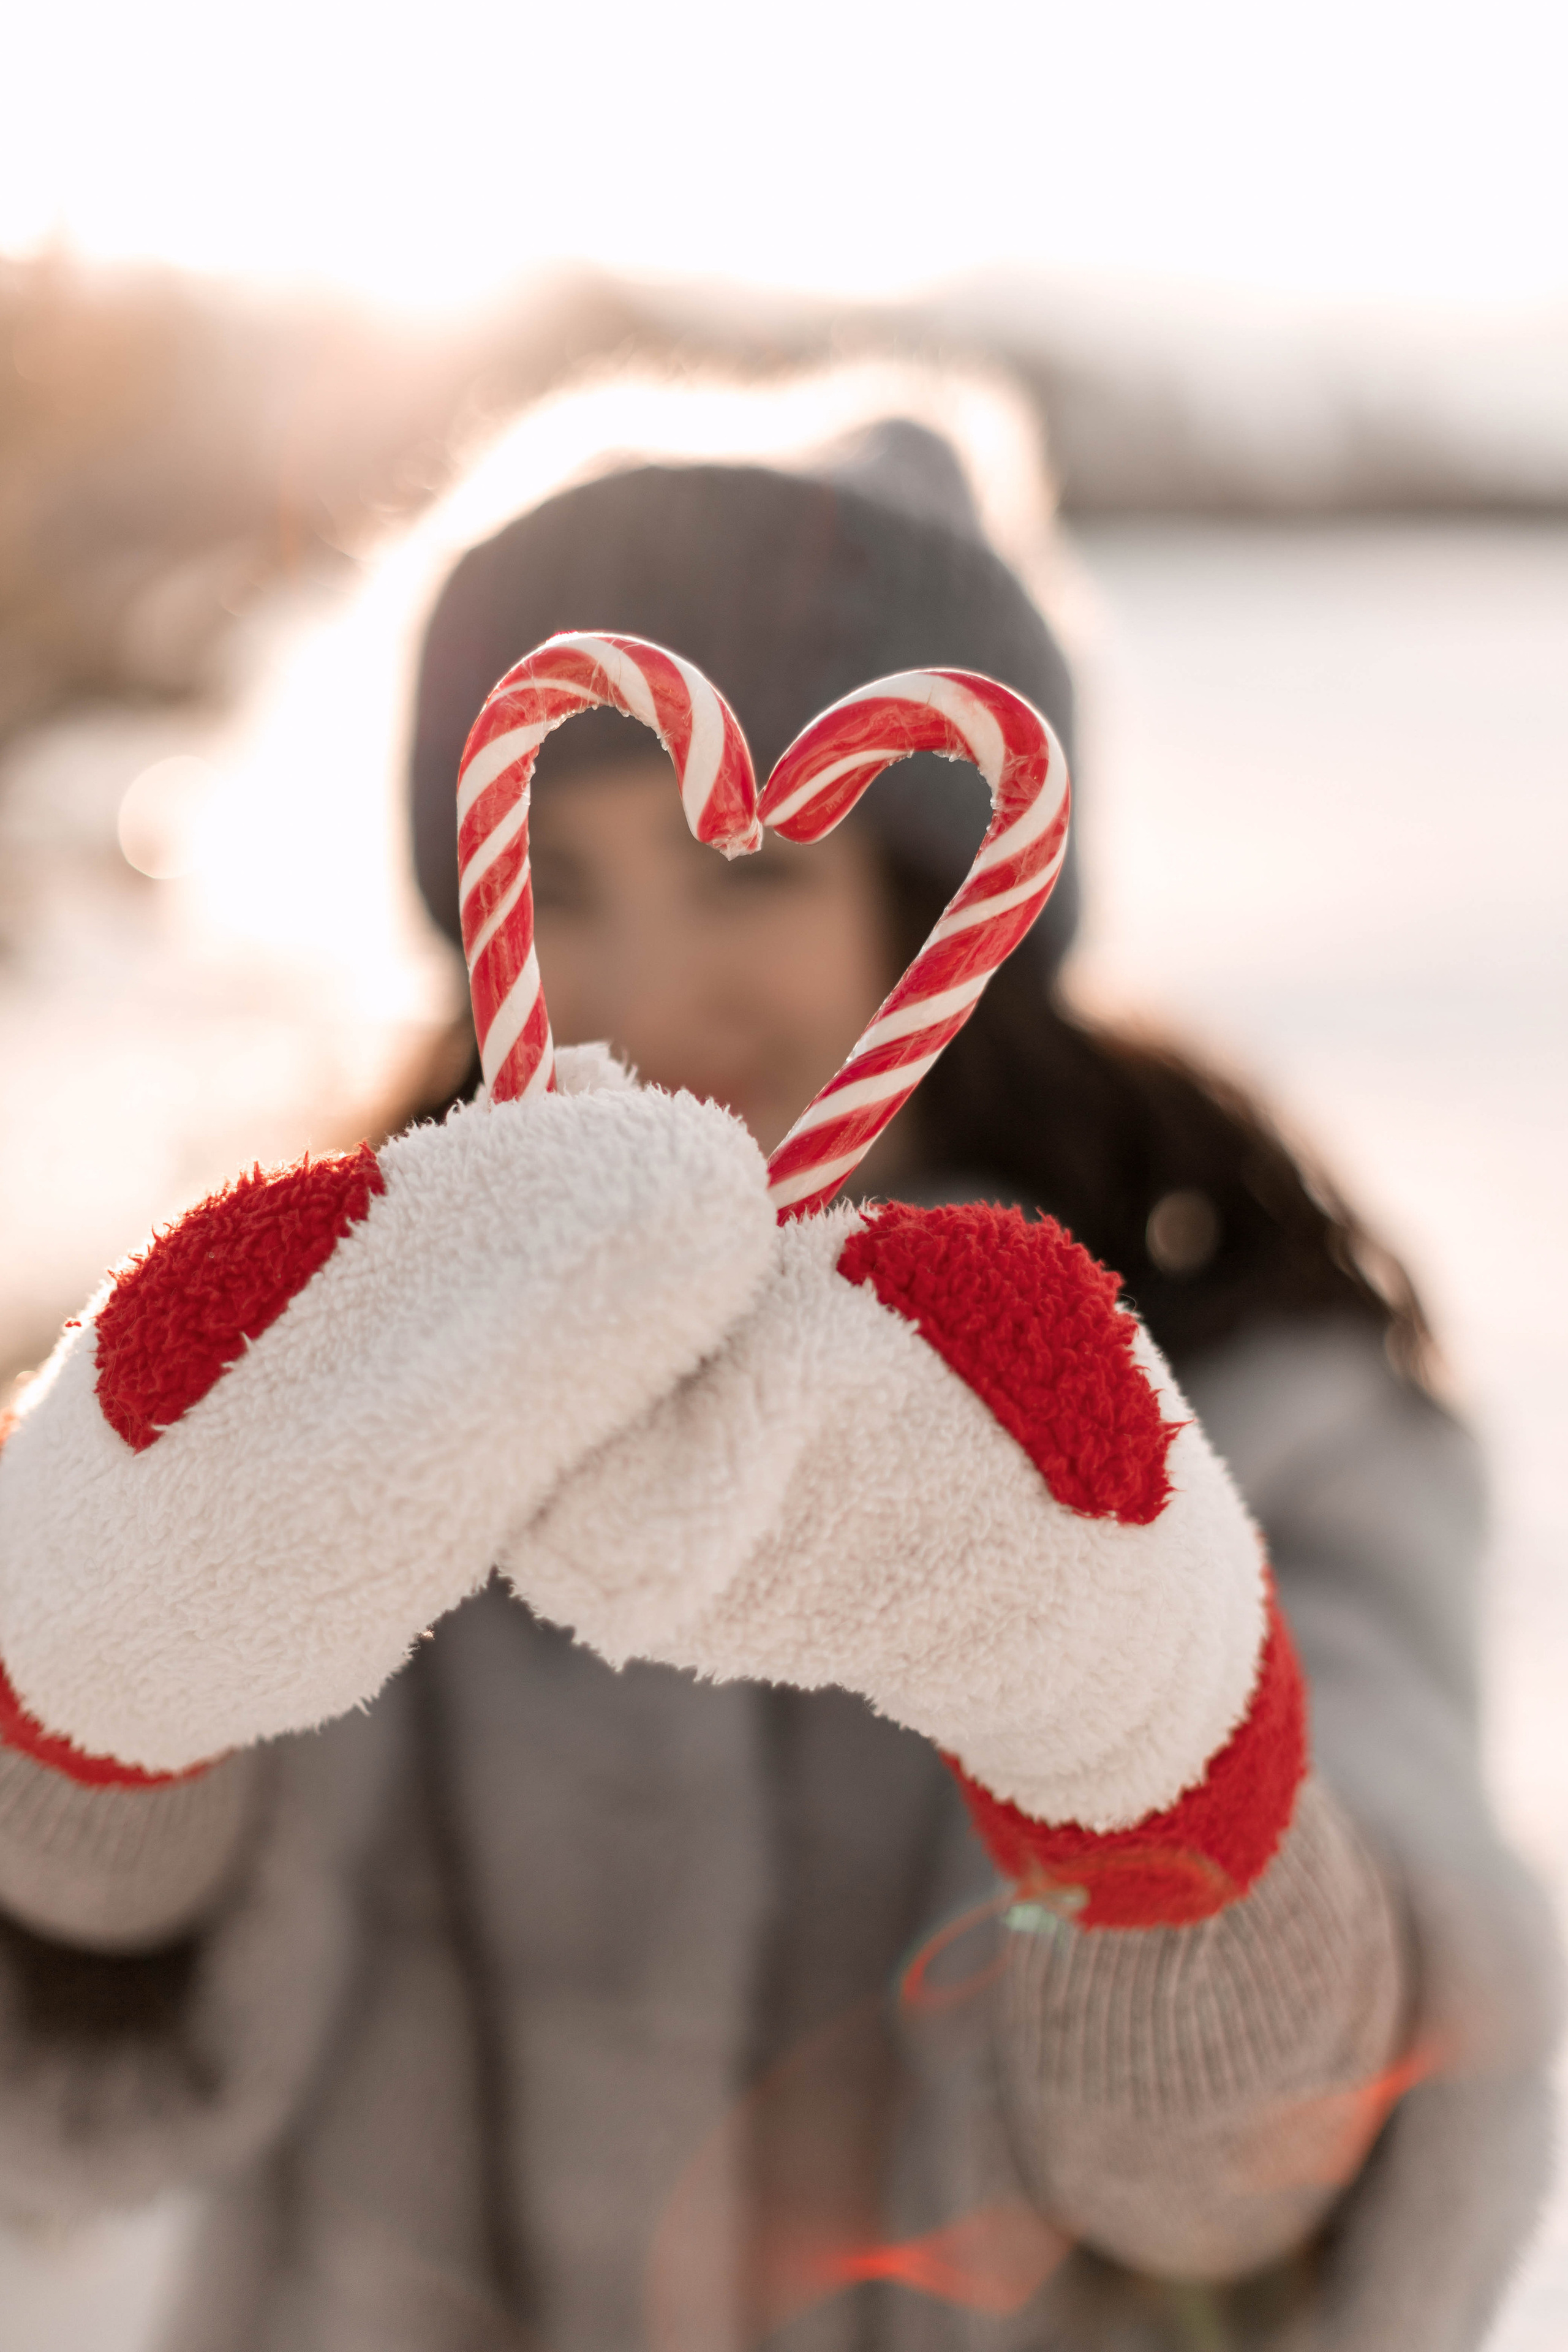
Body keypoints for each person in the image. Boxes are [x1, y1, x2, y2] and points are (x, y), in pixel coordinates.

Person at [0, 412, 1556, 2352]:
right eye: (562, 882)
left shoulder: (1253, 1402)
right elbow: (68, 2052)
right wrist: (88, 1702)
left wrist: (1146, 1743)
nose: (646, 988)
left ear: (934, 895)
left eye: (746, 873)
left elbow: (1282, 2184)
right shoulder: (344, 1346)